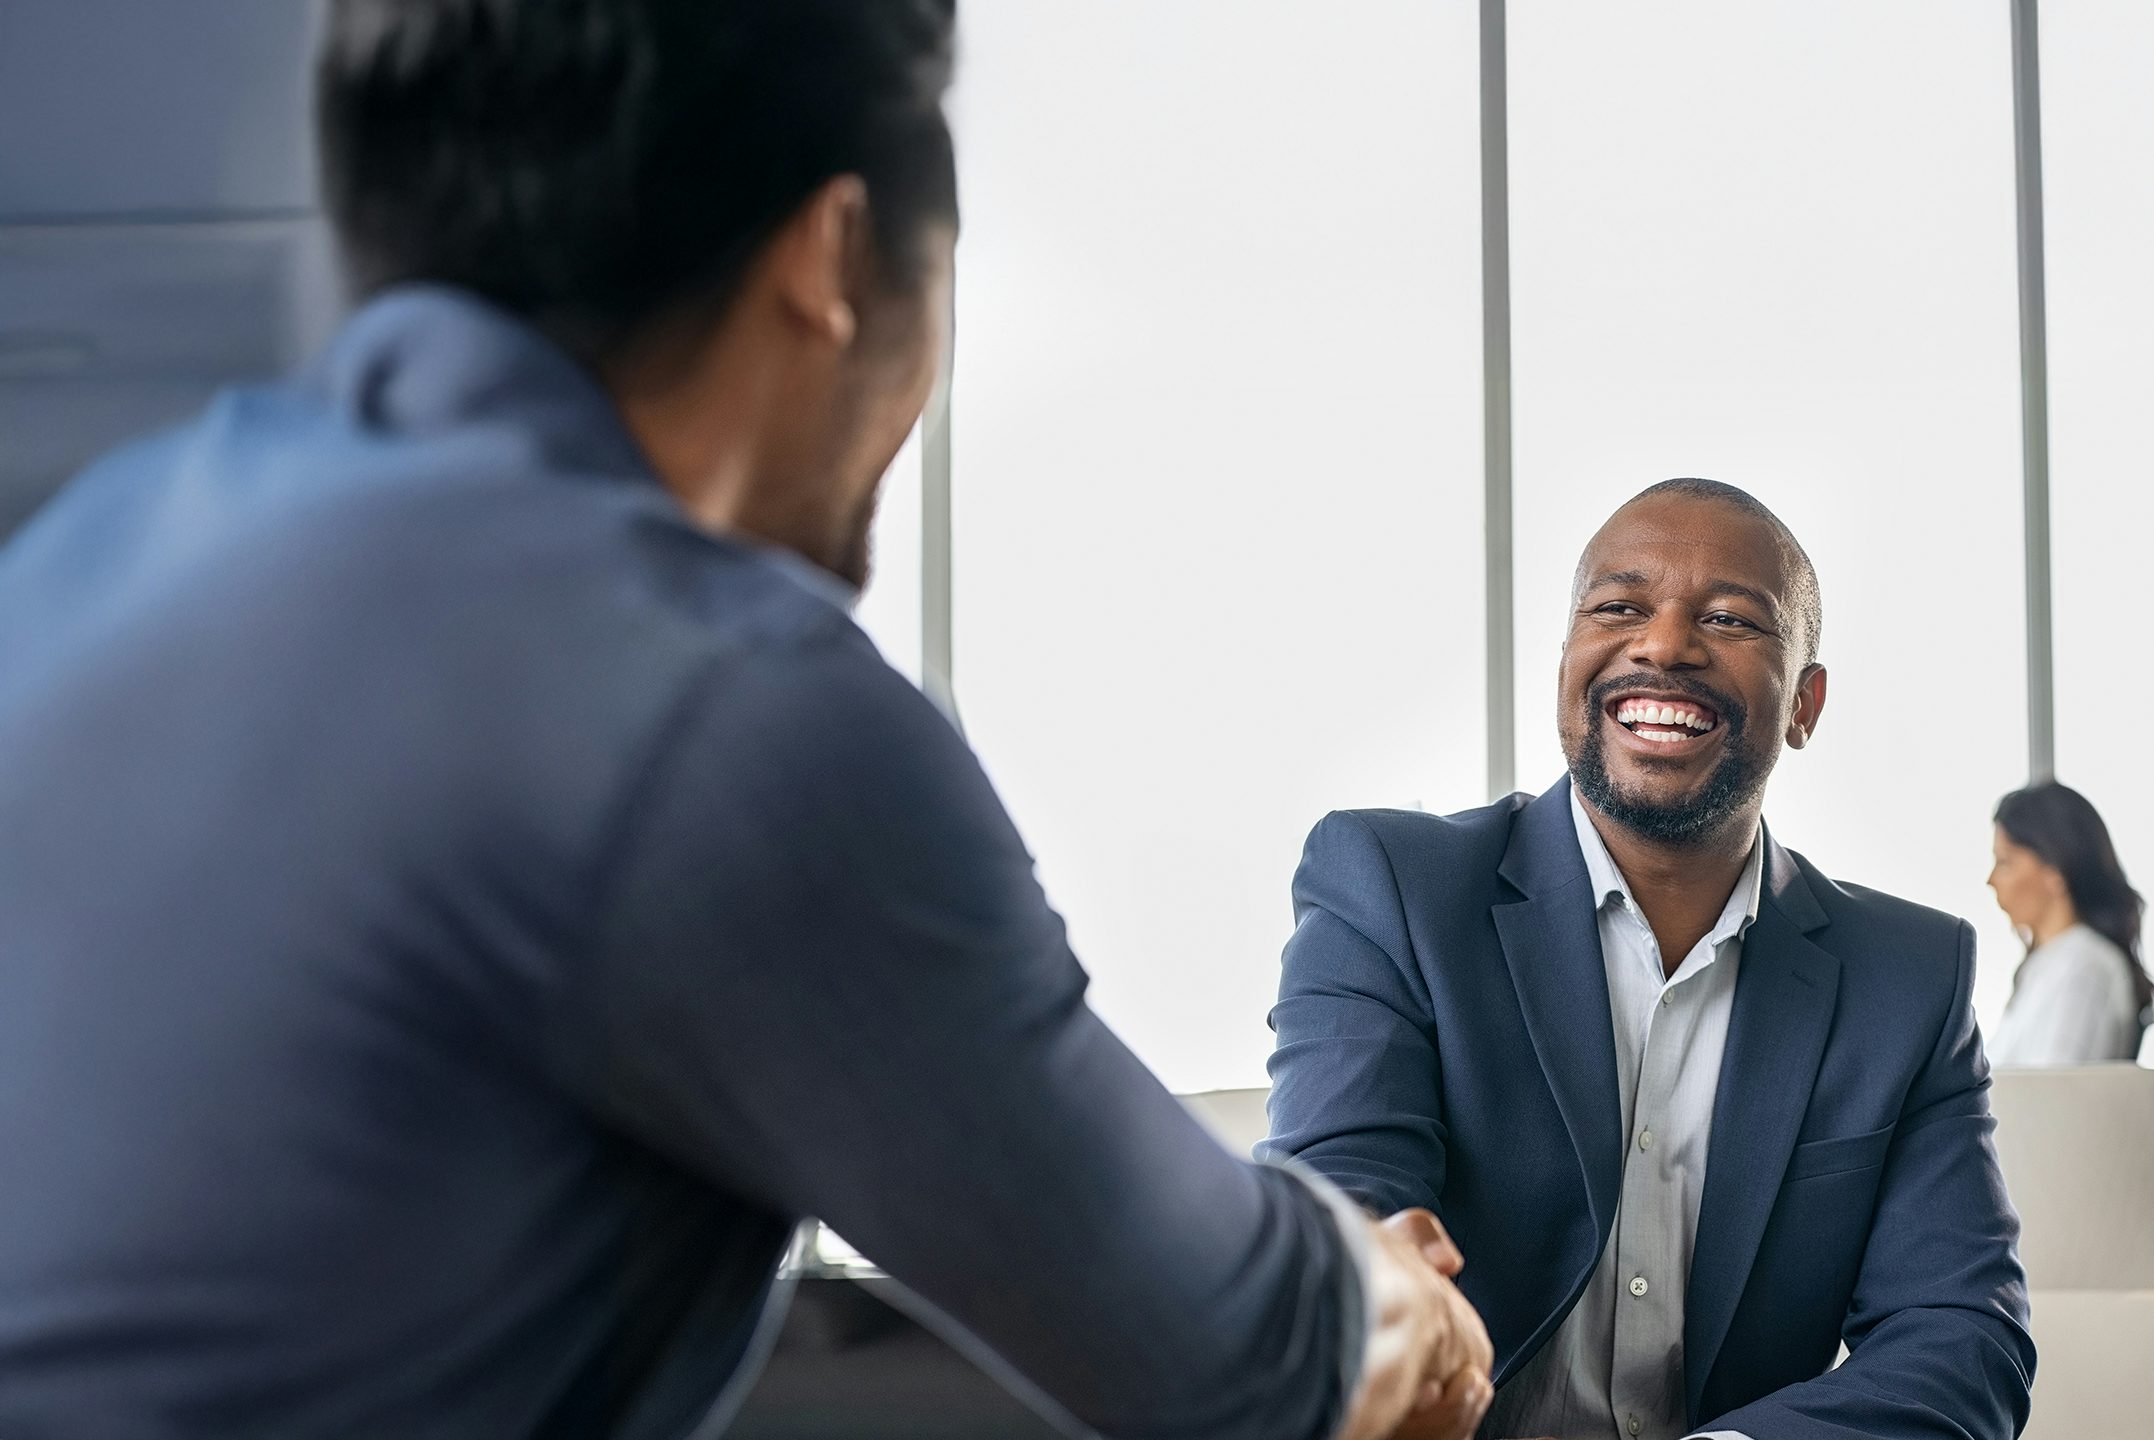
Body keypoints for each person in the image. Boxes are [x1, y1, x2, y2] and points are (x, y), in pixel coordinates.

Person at [0, 3, 1494, 1438]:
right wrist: (1403, 1307)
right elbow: (1248, 1358)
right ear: (833, 256)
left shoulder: (97, 550)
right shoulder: (710, 698)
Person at [1262, 479, 2034, 1440]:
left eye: (1729, 618)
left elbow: (1963, 1339)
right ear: (1567, 665)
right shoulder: (1393, 889)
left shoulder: (1907, 979)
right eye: (1620, 607)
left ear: (1804, 702)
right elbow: (1345, 1221)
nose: (1664, 644)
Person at [1983, 782, 2154, 1066]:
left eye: (2005, 862)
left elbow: (2052, 1097)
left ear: (2054, 871)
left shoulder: (2083, 965)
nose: (1991, 881)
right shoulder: (2047, 965)